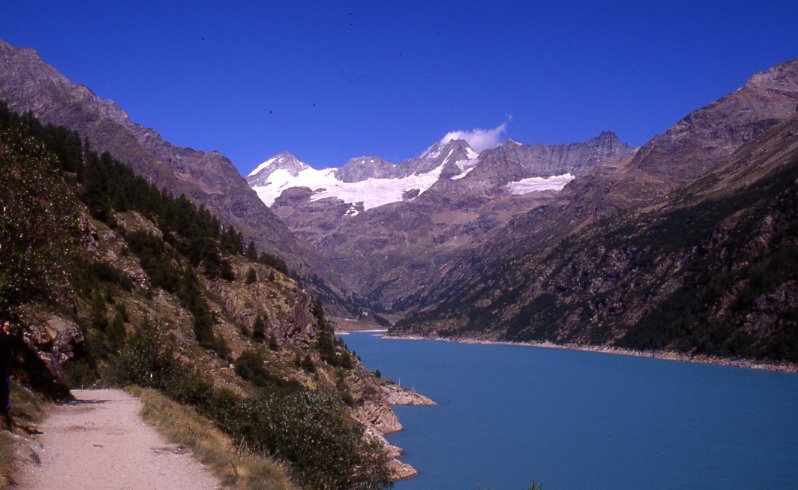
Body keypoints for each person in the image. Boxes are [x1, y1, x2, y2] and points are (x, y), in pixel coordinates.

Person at [0, 320, 12, 428]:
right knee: (5, 391)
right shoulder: (5, 338)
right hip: (3, 370)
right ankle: (4, 412)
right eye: (5, 326)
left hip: (5, 370)